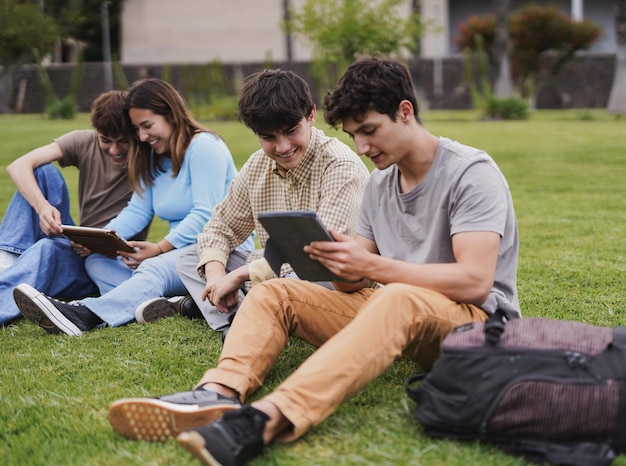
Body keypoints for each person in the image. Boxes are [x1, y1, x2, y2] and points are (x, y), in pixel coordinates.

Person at [107, 56, 521, 465]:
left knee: (397, 298)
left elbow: (474, 282)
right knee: (275, 293)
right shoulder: (380, 183)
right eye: (354, 134)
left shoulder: (470, 172)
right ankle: (218, 393)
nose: (361, 147)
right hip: (395, 310)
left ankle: (265, 420)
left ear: (405, 112)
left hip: (475, 328)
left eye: (370, 131)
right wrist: (339, 262)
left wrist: (368, 267)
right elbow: (351, 285)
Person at [133, 69, 370, 341]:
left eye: (291, 132)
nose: (282, 147)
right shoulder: (258, 164)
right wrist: (215, 275)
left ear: (311, 115)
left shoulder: (340, 166)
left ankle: (225, 312)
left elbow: (322, 255)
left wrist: (239, 276)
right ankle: (233, 317)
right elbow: (219, 227)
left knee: (304, 279)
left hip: (331, 278)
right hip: (274, 271)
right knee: (191, 257)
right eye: (268, 137)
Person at [13, 77, 252, 335]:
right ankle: (162, 304)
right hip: (181, 253)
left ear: (171, 115)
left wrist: (161, 248)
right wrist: (100, 239)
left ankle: (85, 314)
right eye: (137, 129)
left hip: (219, 250)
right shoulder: (152, 159)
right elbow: (138, 211)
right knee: (97, 260)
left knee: (153, 267)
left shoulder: (203, 146)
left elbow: (206, 214)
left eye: (147, 126)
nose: (142, 136)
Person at [0, 90, 143, 325]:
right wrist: (43, 208)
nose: (115, 150)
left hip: (109, 258)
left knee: (47, 249)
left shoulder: (148, 156)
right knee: (41, 170)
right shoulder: (84, 141)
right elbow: (19, 166)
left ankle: (8, 277)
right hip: (78, 242)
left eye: (123, 141)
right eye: (106, 140)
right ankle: (6, 262)